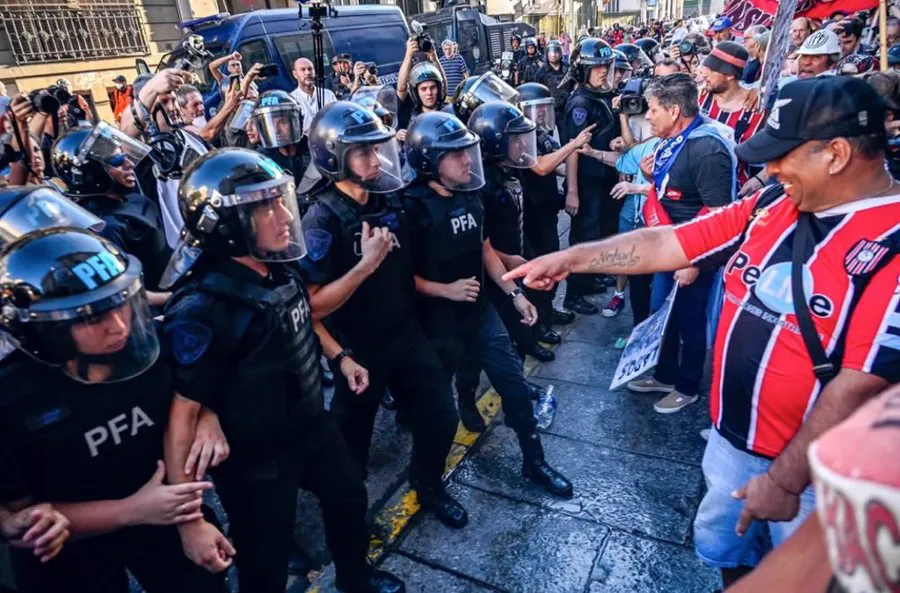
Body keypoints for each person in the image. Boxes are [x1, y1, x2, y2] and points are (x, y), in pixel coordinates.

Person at [505, 75, 899, 591]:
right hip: (735, 443)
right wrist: (573, 258)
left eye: (784, 156)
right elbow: (672, 242)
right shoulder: (773, 204)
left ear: (837, 154)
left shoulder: (890, 244)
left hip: (809, 476)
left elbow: (860, 383)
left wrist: (784, 479)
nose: (771, 170)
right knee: (729, 558)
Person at [162, 148, 405, 593]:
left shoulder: (278, 266)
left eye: (280, 200)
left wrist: (339, 357)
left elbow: (299, 318)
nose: (282, 215)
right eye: (265, 207)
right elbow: (181, 411)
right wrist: (189, 519)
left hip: (311, 424)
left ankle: (355, 577)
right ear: (228, 225)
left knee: (349, 496)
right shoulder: (201, 309)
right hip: (256, 458)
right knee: (265, 560)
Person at [0, 228, 230, 593]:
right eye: (91, 318)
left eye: (119, 302)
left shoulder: (148, 346)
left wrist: (205, 414)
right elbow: (23, 515)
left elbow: (187, 395)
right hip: (75, 548)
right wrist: (133, 510)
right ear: (45, 330)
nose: (119, 326)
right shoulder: (14, 398)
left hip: (165, 509)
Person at [299, 101, 466, 528]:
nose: (376, 159)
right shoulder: (321, 217)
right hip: (357, 347)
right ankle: (352, 519)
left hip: (404, 332)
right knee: (351, 446)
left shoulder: (390, 197)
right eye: (363, 152)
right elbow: (312, 306)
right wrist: (365, 265)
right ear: (335, 157)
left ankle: (428, 485)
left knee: (441, 414)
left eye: (377, 149)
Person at [401, 110, 573, 496]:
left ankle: (535, 462)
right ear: (429, 160)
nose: (467, 160)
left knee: (514, 385)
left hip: (480, 313)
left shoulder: (472, 194)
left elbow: (484, 249)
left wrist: (514, 295)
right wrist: (443, 290)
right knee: (438, 416)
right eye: (455, 154)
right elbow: (399, 277)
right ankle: (427, 486)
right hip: (437, 324)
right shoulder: (409, 207)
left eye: (468, 152)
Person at [625, 73, 736, 415]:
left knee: (689, 319)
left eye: (653, 109)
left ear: (674, 111)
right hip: (668, 249)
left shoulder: (707, 150)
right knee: (663, 314)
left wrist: (694, 263)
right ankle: (665, 373)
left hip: (692, 255)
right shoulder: (674, 140)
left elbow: (719, 217)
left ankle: (687, 386)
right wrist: (648, 177)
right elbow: (673, 188)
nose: (648, 117)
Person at [50, 124, 172, 299]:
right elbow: (124, 291)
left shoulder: (135, 199)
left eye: (125, 156)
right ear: (93, 172)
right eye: (117, 161)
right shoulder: (103, 227)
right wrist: (170, 299)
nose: (129, 164)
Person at [516, 83, 593, 332]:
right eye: (535, 109)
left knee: (551, 262)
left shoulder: (539, 134)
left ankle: (548, 312)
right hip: (531, 213)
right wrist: (574, 144)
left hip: (547, 208)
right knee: (536, 268)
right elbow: (540, 166)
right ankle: (537, 323)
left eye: (544, 108)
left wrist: (573, 187)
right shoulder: (520, 136)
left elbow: (561, 158)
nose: (540, 114)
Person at [561, 37, 621, 315]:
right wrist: (572, 190)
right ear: (582, 70)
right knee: (583, 236)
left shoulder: (599, 96)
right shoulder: (580, 103)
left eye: (605, 65)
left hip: (603, 176)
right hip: (586, 181)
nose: (602, 71)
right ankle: (573, 293)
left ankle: (589, 279)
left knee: (598, 233)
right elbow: (573, 149)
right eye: (596, 66)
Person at [698, 41, 767, 193]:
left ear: (729, 75)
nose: (703, 74)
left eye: (710, 70)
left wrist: (761, 179)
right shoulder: (699, 97)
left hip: (735, 192)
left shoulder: (758, 109)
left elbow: (782, 151)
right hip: (694, 190)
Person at [397, 38, 448, 130]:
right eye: (423, 89)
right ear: (416, 92)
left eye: (433, 88)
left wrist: (435, 58)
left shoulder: (448, 112)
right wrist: (408, 55)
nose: (429, 93)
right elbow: (401, 88)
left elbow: (443, 82)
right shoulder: (411, 116)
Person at [290, 57, 338, 136]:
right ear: (295, 74)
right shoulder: (291, 100)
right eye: (303, 70)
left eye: (310, 69)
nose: (307, 72)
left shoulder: (328, 95)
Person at [534, 40, 570, 128]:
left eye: (556, 51)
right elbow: (536, 92)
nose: (554, 54)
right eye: (551, 52)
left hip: (565, 109)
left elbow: (576, 86)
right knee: (547, 139)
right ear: (547, 54)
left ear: (560, 52)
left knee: (566, 139)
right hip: (547, 110)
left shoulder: (568, 68)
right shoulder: (541, 72)